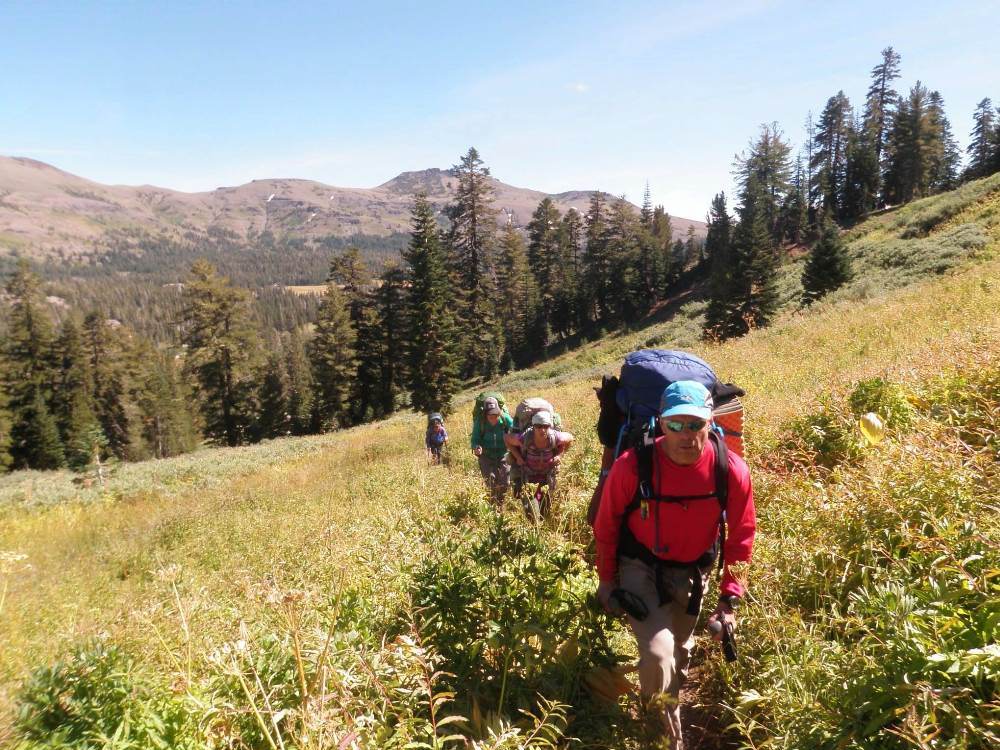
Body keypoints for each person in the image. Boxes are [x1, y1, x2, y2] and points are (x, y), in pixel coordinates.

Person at [593, 380, 756, 747]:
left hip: (694, 571)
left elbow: (741, 536)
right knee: (658, 654)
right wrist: (607, 580)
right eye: (676, 425)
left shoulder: (730, 469)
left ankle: (661, 708)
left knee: (678, 651)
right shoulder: (633, 466)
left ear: (710, 423)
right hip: (639, 566)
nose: (687, 435)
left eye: (695, 424)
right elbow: (606, 525)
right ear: (661, 424)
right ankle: (662, 740)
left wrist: (729, 600)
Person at [505, 410, 574, 517]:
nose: (542, 430)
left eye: (545, 426)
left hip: (546, 479)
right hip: (529, 479)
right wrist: (518, 457)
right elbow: (507, 438)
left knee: (545, 511)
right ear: (533, 427)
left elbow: (570, 438)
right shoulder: (525, 438)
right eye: (538, 426)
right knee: (532, 514)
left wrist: (559, 456)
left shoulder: (555, 437)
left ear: (549, 427)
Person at [471, 397, 514, 505]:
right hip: (486, 456)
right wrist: (476, 447)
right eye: (490, 415)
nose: (493, 417)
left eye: (495, 415)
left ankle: (501, 503)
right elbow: (475, 439)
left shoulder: (505, 419)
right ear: (485, 414)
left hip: (503, 454)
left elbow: (516, 431)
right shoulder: (480, 422)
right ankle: (493, 504)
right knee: (491, 482)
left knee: (505, 482)